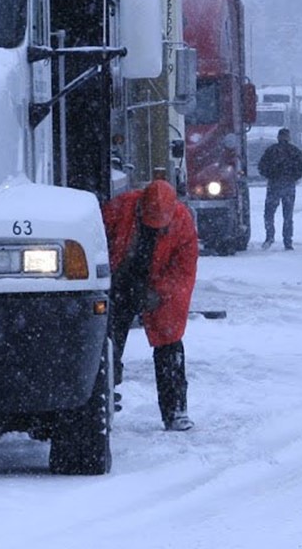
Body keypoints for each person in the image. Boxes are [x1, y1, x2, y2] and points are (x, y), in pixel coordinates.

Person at [101, 172, 200, 431]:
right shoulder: (119, 208)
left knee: (170, 344)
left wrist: (159, 292)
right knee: (107, 341)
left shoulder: (182, 222)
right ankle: (103, 397)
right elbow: (95, 240)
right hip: (119, 282)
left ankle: (175, 410)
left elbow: (183, 271)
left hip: (157, 287)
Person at [257, 127, 302, 250]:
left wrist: (271, 175)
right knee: (288, 215)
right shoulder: (295, 151)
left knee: (269, 213)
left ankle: (269, 237)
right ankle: (287, 241)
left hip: (274, 185)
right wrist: (293, 177)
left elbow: (262, 166)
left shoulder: (271, 151)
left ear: (278, 137)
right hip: (289, 185)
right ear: (289, 137)